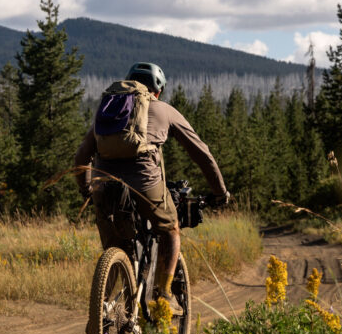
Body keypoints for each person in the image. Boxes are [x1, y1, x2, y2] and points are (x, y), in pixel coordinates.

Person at [73, 62, 229, 308]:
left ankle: (101, 310)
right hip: (146, 183)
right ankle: (163, 297)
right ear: (157, 90)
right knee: (170, 229)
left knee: (115, 246)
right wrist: (220, 192)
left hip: (104, 186)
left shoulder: (110, 112)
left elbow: (81, 158)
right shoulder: (163, 109)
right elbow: (202, 154)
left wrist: (87, 191)